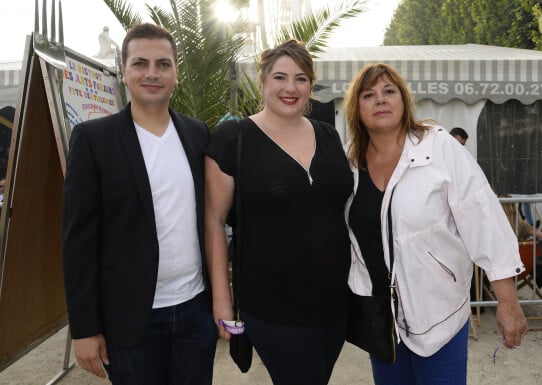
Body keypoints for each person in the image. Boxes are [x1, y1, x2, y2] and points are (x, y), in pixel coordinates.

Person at [343, 63, 528, 385]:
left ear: (404, 99)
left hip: (439, 311)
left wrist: (508, 302)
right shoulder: (348, 162)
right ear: (356, 109)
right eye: (368, 95)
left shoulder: (439, 147)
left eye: (389, 91)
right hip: (380, 316)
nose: (381, 100)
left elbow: (483, 219)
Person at [62, 23, 217, 385]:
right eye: (140, 63)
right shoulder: (92, 139)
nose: (152, 73)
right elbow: (78, 241)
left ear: (176, 73)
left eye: (163, 64)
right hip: (129, 322)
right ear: (124, 71)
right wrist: (84, 329)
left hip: (195, 312)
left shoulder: (197, 134)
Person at [204, 40, 353, 385]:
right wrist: (222, 302)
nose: (290, 88)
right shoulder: (233, 138)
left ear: (310, 86)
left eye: (301, 79)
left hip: (333, 303)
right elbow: (212, 220)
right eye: (280, 77)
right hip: (273, 306)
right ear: (263, 80)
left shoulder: (329, 136)